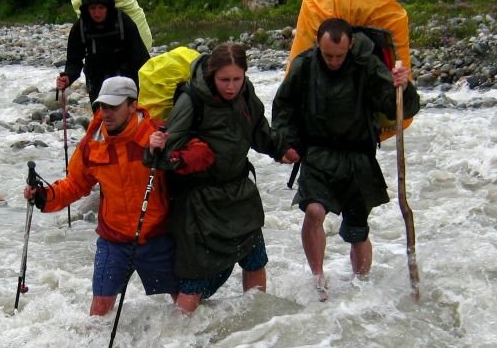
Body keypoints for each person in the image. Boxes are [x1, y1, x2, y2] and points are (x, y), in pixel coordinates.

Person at [272, 18, 419, 299]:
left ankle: (360, 285)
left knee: (358, 228)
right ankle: (318, 278)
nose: (334, 61)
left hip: (358, 156)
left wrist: (404, 86)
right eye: (328, 55)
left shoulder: (366, 65)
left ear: (350, 45)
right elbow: (283, 108)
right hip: (317, 153)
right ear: (318, 44)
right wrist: (284, 143)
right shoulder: (304, 66)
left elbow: (399, 107)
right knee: (314, 210)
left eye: (340, 55)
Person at [147, 43, 296, 314]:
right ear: (212, 75)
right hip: (199, 203)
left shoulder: (246, 92)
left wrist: (281, 149)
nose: (231, 87)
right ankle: (177, 343)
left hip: (239, 194)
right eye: (224, 80)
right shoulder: (191, 100)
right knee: (195, 279)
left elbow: (259, 129)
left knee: (255, 259)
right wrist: (174, 151)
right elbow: (165, 153)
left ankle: (256, 320)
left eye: (237, 79)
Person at [24, 76, 176, 316]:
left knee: (183, 309)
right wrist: (43, 196)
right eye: (103, 106)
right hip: (113, 240)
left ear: (132, 105)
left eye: (114, 106)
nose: (107, 113)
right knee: (98, 315)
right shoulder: (92, 145)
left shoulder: (157, 135)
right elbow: (75, 184)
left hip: (157, 236)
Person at [55, 0, 151, 109]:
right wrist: (67, 78)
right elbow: (74, 61)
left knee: (127, 118)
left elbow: (140, 57)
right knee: (102, 120)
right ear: (86, 9)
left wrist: (149, 83)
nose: (97, 12)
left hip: (126, 79)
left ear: (108, 7)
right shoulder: (80, 28)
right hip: (97, 82)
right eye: (93, 8)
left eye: (101, 7)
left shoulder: (123, 22)